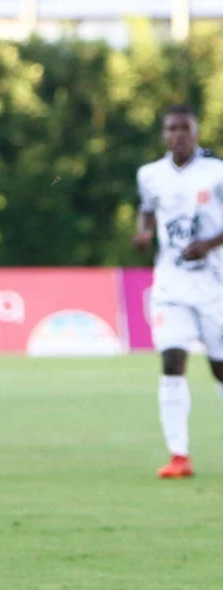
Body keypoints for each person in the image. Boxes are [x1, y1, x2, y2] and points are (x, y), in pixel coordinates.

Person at [133, 104, 223, 479]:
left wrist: (209, 244)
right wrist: (143, 231)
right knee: (172, 361)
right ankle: (179, 456)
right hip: (170, 284)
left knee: (219, 369)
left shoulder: (217, 172)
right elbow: (147, 209)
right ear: (163, 134)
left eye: (185, 128)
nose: (178, 135)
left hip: (214, 285)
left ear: (196, 131)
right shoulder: (150, 174)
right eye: (172, 129)